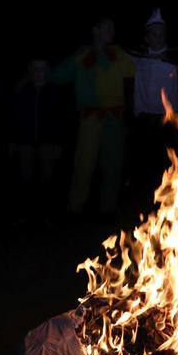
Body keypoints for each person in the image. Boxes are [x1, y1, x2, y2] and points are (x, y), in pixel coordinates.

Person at [50, 15, 135, 223]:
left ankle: (108, 209)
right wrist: (74, 56)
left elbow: (138, 71)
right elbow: (56, 76)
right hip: (89, 118)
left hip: (114, 118)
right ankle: (75, 208)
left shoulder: (119, 54)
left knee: (113, 163)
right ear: (95, 30)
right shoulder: (82, 55)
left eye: (113, 28)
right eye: (107, 27)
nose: (111, 31)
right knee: (83, 162)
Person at [126, 8, 178, 205]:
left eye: (161, 34)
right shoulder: (137, 58)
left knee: (170, 165)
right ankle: (145, 207)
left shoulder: (176, 59)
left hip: (170, 121)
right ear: (147, 37)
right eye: (153, 34)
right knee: (144, 165)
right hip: (144, 120)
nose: (157, 38)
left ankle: (171, 206)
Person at [9, 59, 65, 225]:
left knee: (47, 178)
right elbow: (14, 117)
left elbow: (60, 119)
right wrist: (12, 140)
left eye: (42, 68)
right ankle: (25, 214)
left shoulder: (55, 91)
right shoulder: (22, 90)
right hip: (25, 140)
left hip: (48, 141)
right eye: (35, 68)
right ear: (29, 69)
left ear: (47, 69)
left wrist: (59, 143)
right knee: (25, 178)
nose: (38, 72)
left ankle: (46, 215)